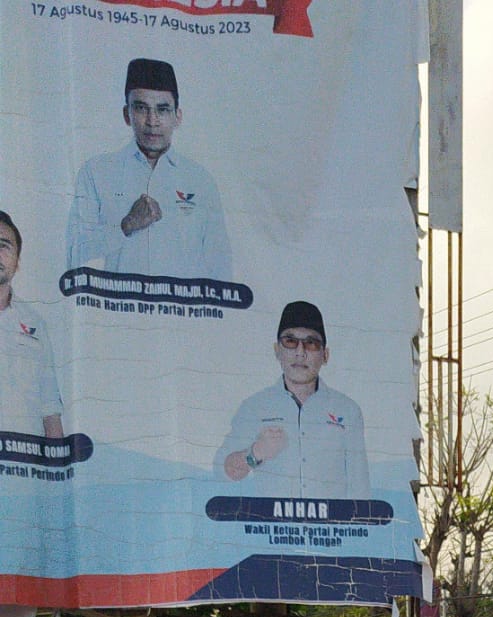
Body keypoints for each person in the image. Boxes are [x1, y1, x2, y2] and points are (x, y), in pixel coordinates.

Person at [67, 58, 231, 279]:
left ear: (177, 116)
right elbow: (74, 252)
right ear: (127, 114)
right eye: (141, 108)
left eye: (162, 110)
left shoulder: (199, 180)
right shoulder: (97, 172)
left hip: (181, 309)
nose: (152, 121)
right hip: (117, 307)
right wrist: (126, 226)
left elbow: (219, 264)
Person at [215, 300, 371, 500]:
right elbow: (222, 472)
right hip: (271, 530)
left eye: (311, 343)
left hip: (331, 531)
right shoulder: (255, 407)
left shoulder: (347, 410)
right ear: (276, 350)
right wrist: (255, 453)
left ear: (325, 355)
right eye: (290, 341)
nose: (300, 352)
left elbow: (360, 488)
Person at [0, 210, 64, 439]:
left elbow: (50, 411)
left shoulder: (34, 323)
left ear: (17, 261)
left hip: (25, 466)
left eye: (4, 245)